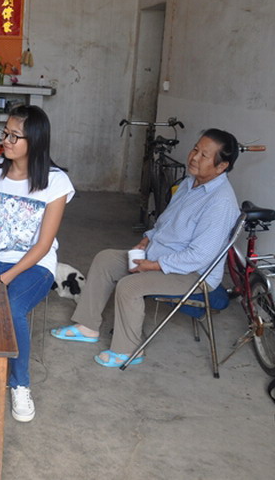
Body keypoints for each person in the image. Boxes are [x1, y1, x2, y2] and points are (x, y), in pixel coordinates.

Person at [52, 128, 240, 368]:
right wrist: (147, 240)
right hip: (159, 255)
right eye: (195, 149)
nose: (194, 157)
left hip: (193, 273)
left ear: (221, 166)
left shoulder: (220, 202)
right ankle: (87, 326)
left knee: (130, 286)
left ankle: (128, 351)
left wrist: (154, 265)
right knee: (106, 260)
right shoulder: (189, 183)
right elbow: (165, 223)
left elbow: (200, 256)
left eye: (204, 155)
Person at [0, 105, 74, 422]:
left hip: (35, 266)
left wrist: (4, 280)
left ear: (34, 141)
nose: (5, 141)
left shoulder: (56, 182)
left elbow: (43, 244)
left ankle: (19, 384)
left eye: (14, 136)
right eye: (4, 133)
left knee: (13, 309)